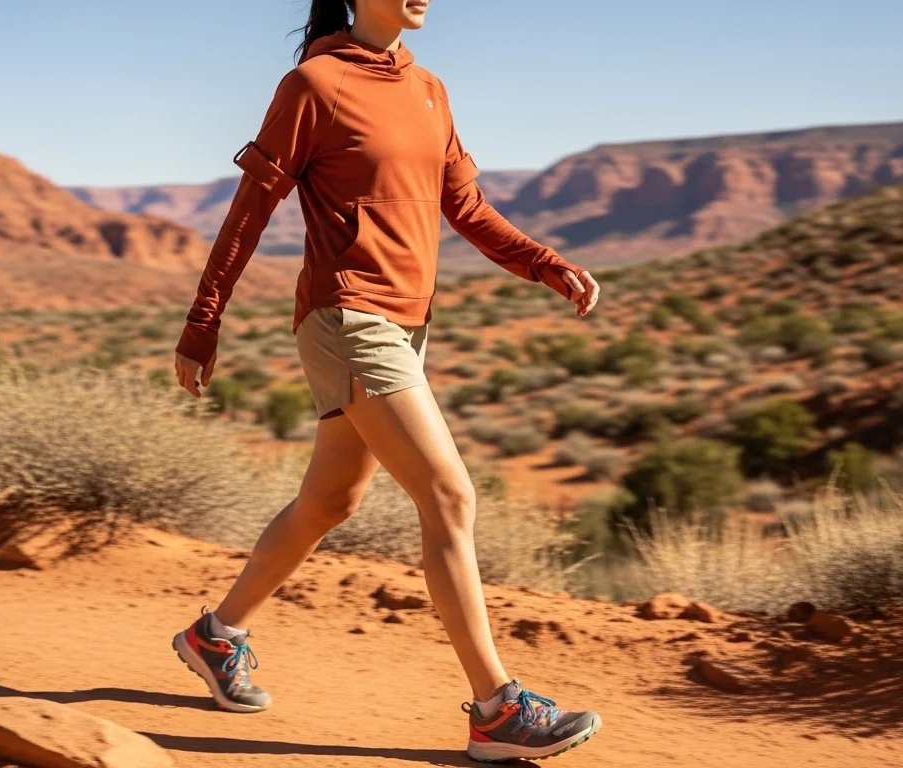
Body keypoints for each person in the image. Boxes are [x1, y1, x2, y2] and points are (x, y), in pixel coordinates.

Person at [170, 0, 602, 761]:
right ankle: (497, 711)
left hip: (407, 325)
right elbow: (251, 208)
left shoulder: (429, 89)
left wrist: (545, 261)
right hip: (347, 319)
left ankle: (215, 636)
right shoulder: (314, 85)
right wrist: (205, 320)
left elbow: (463, 205)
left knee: (331, 500)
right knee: (449, 494)